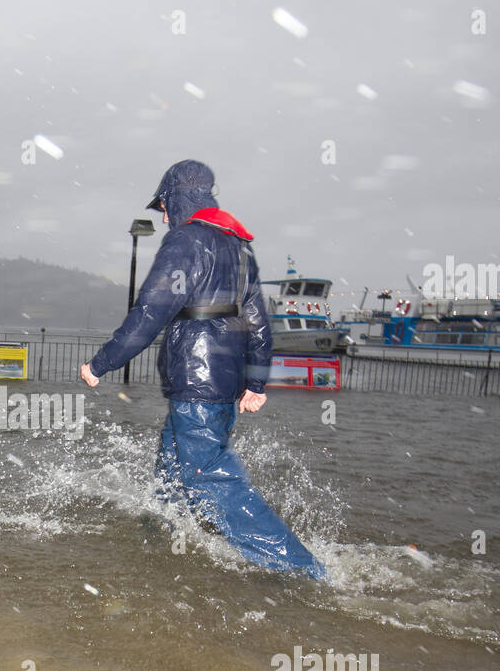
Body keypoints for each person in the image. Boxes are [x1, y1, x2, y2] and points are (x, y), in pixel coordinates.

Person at [80, 159, 325, 580]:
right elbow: (258, 322)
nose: (162, 215)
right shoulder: (239, 247)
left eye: (164, 206)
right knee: (172, 473)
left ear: (177, 199)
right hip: (224, 379)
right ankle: (160, 539)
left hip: (197, 378)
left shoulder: (186, 243)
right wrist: (256, 382)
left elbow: (151, 311)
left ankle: (302, 570)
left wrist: (102, 363)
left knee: (211, 477)